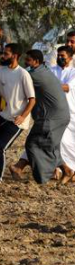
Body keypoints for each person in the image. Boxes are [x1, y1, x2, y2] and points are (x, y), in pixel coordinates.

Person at [9, 50, 70, 184]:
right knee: (50, 145)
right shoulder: (43, 70)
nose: (26, 62)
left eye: (28, 60)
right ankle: (66, 170)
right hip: (58, 115)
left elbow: (16, 80)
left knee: (32, 143)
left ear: (36, 62)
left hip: (53, 117)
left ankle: (42, 175)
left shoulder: (35, 75)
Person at [0, 44, 35, 183]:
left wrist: (22, 116)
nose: (2, 56)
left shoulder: (23, 74)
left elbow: (32, 100)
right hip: (5, 114)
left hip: (18, 119)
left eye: (6, 54)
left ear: (15, 56)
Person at [49, 46, 75, 183]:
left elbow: (67, 87)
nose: (60, 58)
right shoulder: (51, 70)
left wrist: (49, 85)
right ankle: (59, 170)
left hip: (70, 112)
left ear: (70, 58)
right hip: (53, 112)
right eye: (58, 55)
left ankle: (71, 170)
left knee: (69, 143)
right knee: (57, 141)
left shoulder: (73, 72)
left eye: (63, 56)